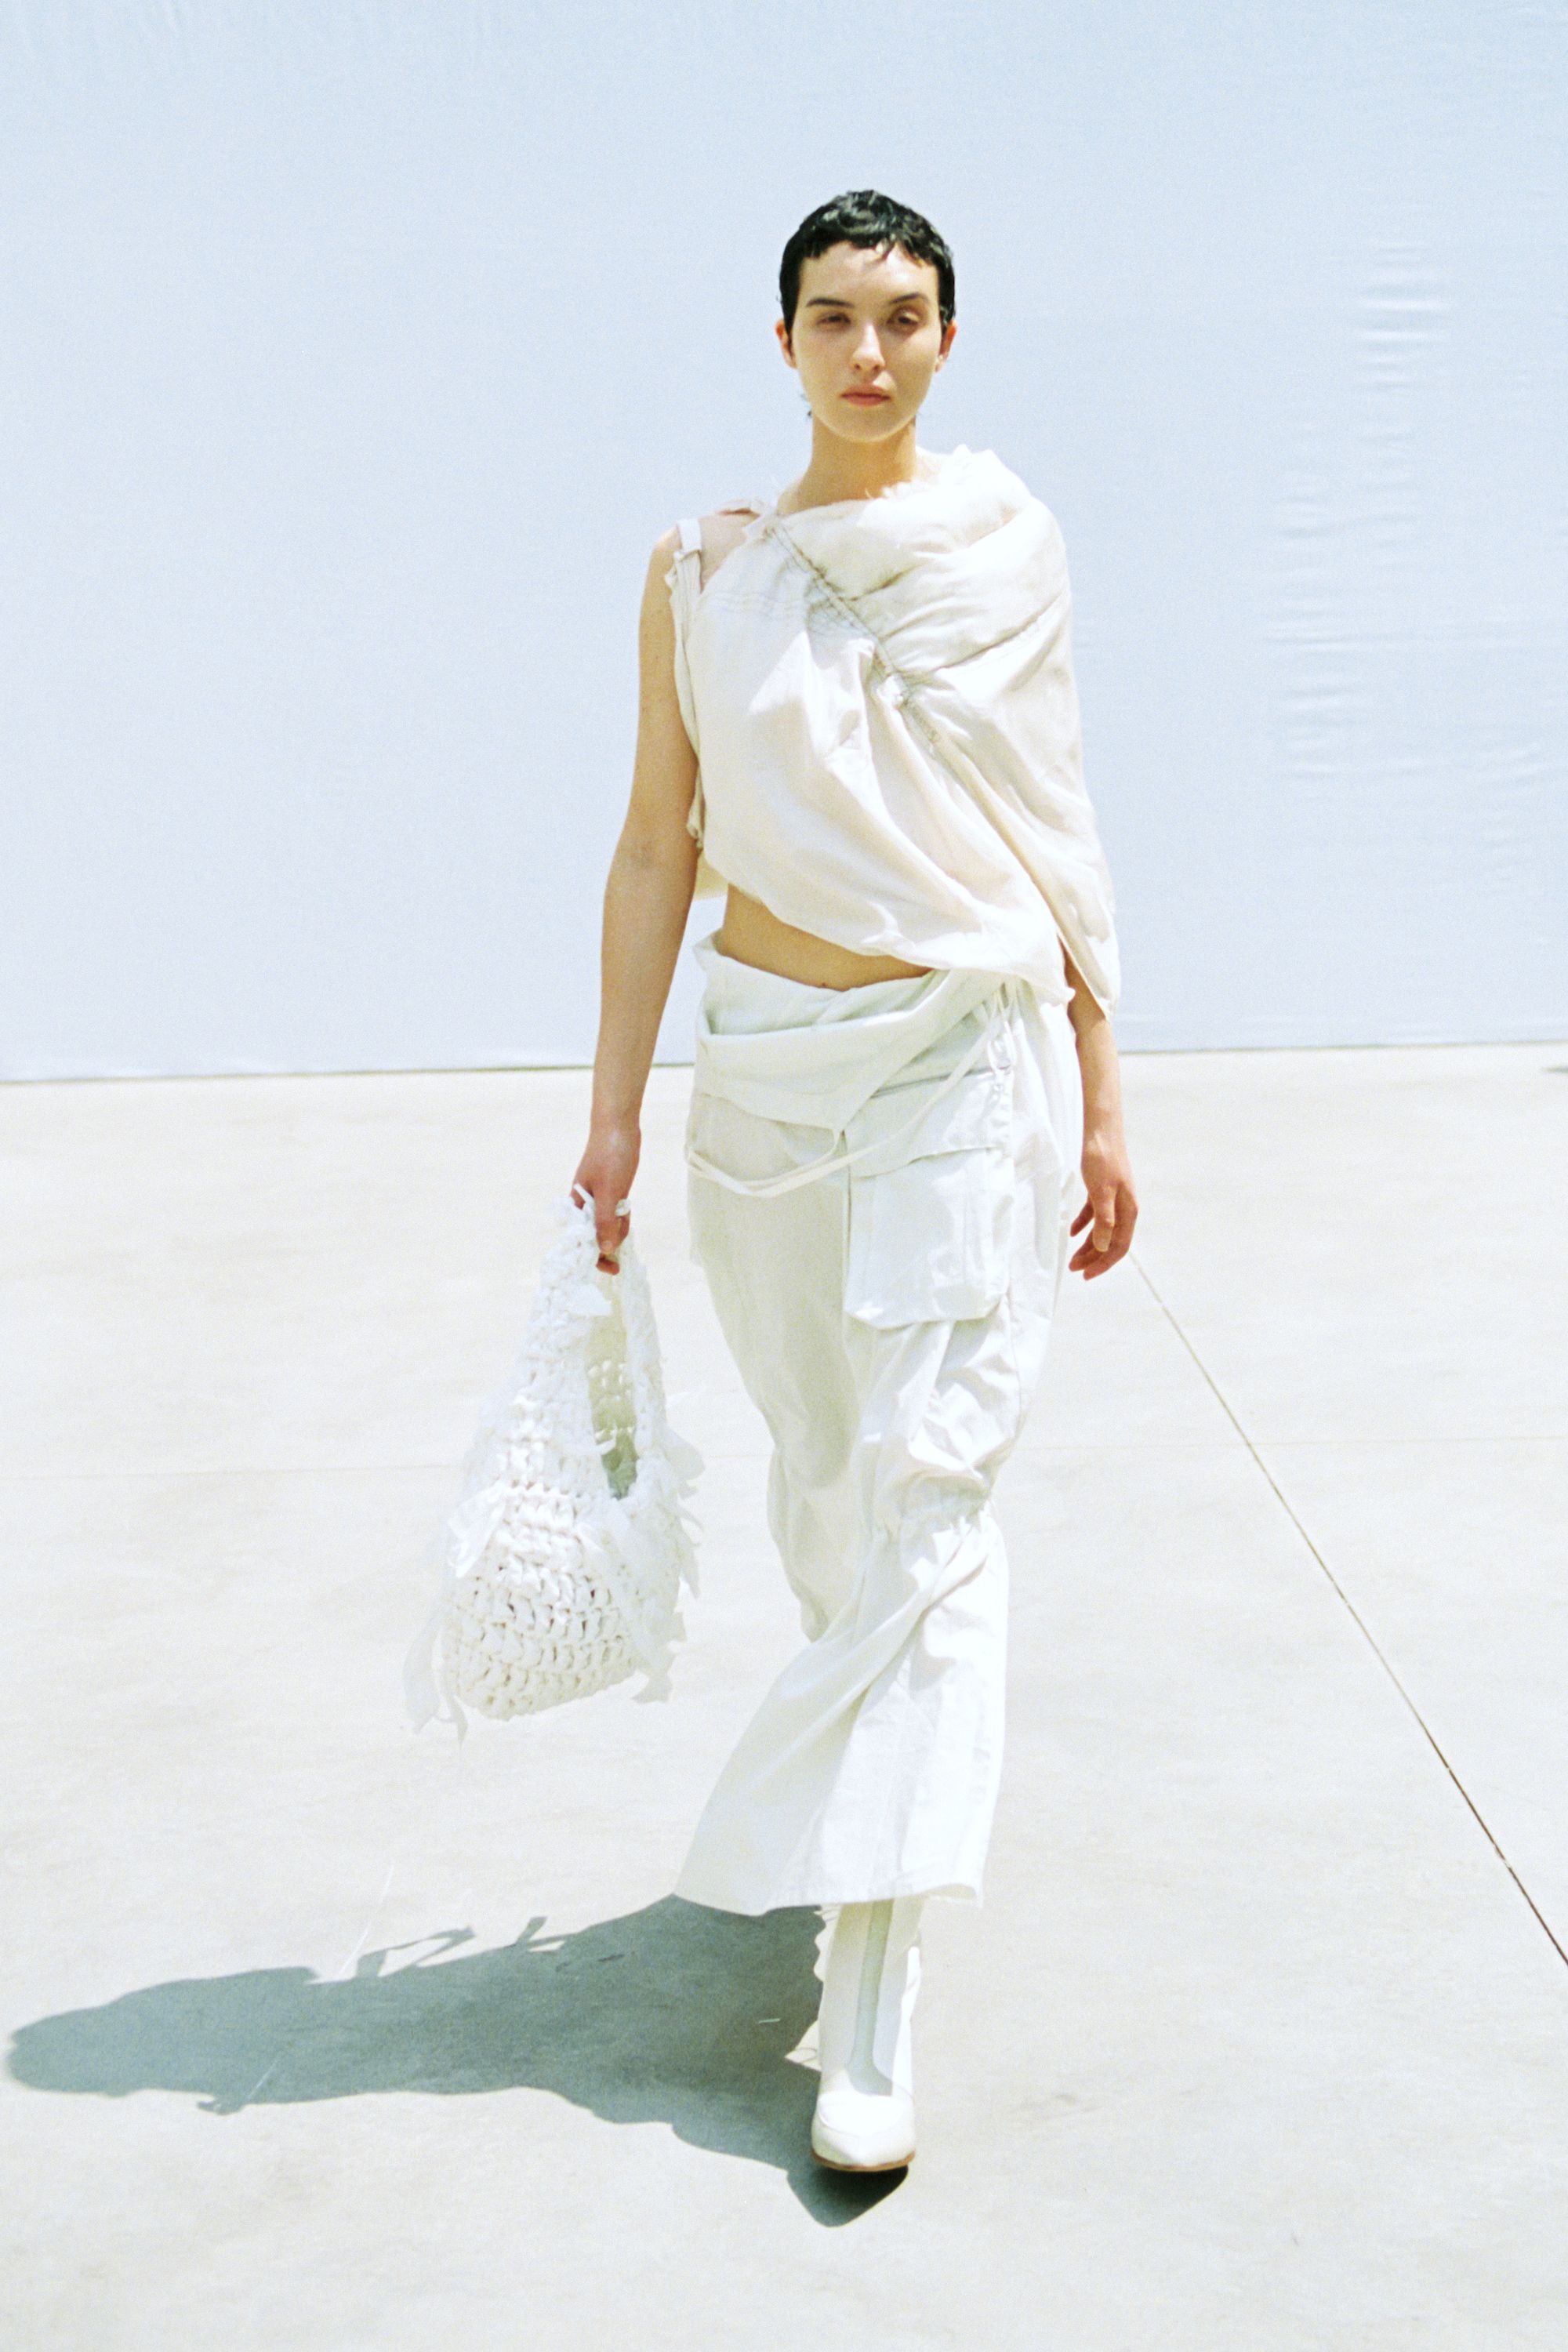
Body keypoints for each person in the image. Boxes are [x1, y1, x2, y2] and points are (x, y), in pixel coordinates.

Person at [571, 188, 1137, 2175]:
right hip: (763, 1081)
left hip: (959, 1065)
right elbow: (657, 848)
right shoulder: (700, 575)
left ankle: (879, 1975)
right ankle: (864, 1836)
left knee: (927, 1494)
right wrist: (613, 1111)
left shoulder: (999, 549)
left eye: (902, 317)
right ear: (785, 342)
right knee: (831, 1494)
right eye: (834, 318)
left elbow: (1053, 825)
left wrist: (1105, 1094)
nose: (869, 353)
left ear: (946, 339)